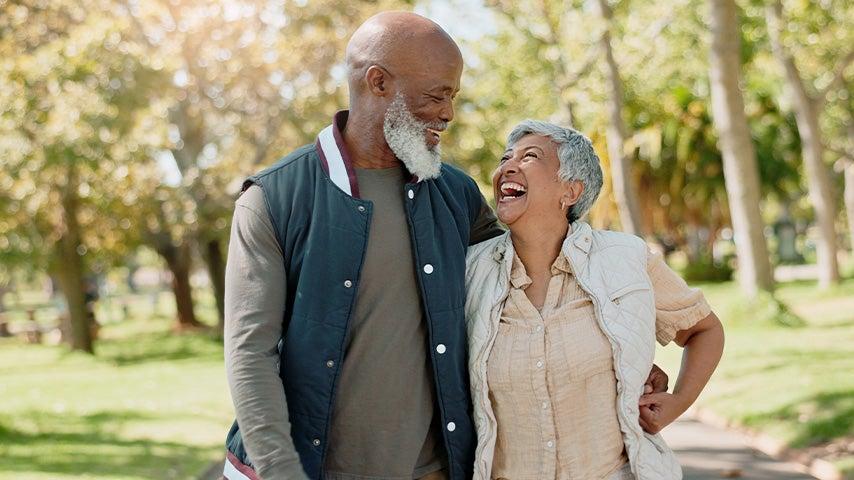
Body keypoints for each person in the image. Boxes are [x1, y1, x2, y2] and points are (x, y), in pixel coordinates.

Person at [223, 12, 668, 480]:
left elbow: (528, 275)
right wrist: (280, 472)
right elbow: (251, 352)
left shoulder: (455, 192)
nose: (448, 113)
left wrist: (617, 345)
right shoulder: (274, 199)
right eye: (436, 95)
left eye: (452, 97)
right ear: (378, 82)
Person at [464, 120, 725, 480]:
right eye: (507, 157)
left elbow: (703, 329)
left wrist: (678, 401)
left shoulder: (626, 258)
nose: (508, 166)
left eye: (530, 157)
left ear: (570, 191)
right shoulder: (469, 270)